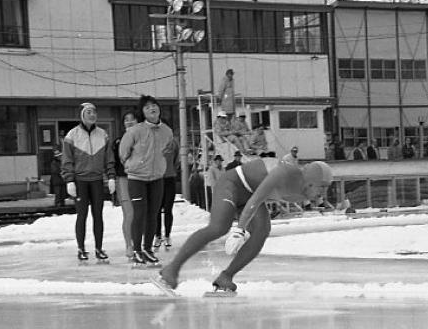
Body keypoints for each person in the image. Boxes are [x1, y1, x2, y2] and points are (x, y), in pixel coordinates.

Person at [155, 158, 333, 293]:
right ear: (309, 183)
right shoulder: (283, 174)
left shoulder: (306, 192)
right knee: (219, 227)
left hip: (251, 194)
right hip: (232, 184)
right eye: (322, 188)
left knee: (262, 231)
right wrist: (239, 230)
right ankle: (171, 269)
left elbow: (259, 199)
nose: (323, 194)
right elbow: (255, 200)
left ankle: (226, 276)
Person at [119, 95, 174, 267]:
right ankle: (136, 250)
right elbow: (123, 152)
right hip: (137, 178)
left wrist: (161, 166)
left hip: (157, 178)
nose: (152, 108)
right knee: (139, 213)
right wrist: (132, 165)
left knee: (153, 214)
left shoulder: (167, 131)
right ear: (142, 112)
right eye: (147, 107)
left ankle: (148, 249)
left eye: (154, 105)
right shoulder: (135, 131)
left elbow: (168, 149)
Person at [61, 102, 116, 263]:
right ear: (82, 115)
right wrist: (69, 180)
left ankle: (99, 248)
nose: (92, 115)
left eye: (94, 112)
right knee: (82, 216)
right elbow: (67, 160)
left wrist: (111, 176)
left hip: (97, 181)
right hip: (80, 182)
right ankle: (81, 249)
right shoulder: (72, 135)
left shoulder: (103, 134)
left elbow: (109, 159)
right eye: (88, 112)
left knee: (98, 216)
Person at [113, 110, 138, 259]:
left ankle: (139, 244)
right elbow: (116, 162)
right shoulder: (118, 141)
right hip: (124, 179)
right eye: (126, 120)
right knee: (129, 214)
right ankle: (129, 245)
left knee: (140, 214)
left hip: (141, 179)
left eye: (132, 119)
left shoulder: (144, 138)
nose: (129, 122)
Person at [155, 135, 180, 250]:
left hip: (170, 178)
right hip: (157, 178)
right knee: (157, 209)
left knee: (168, 208)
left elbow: (177, 159)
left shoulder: (173, 143)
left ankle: (167, 235)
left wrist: (172, 170)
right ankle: (157, 235)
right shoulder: (153, 141)